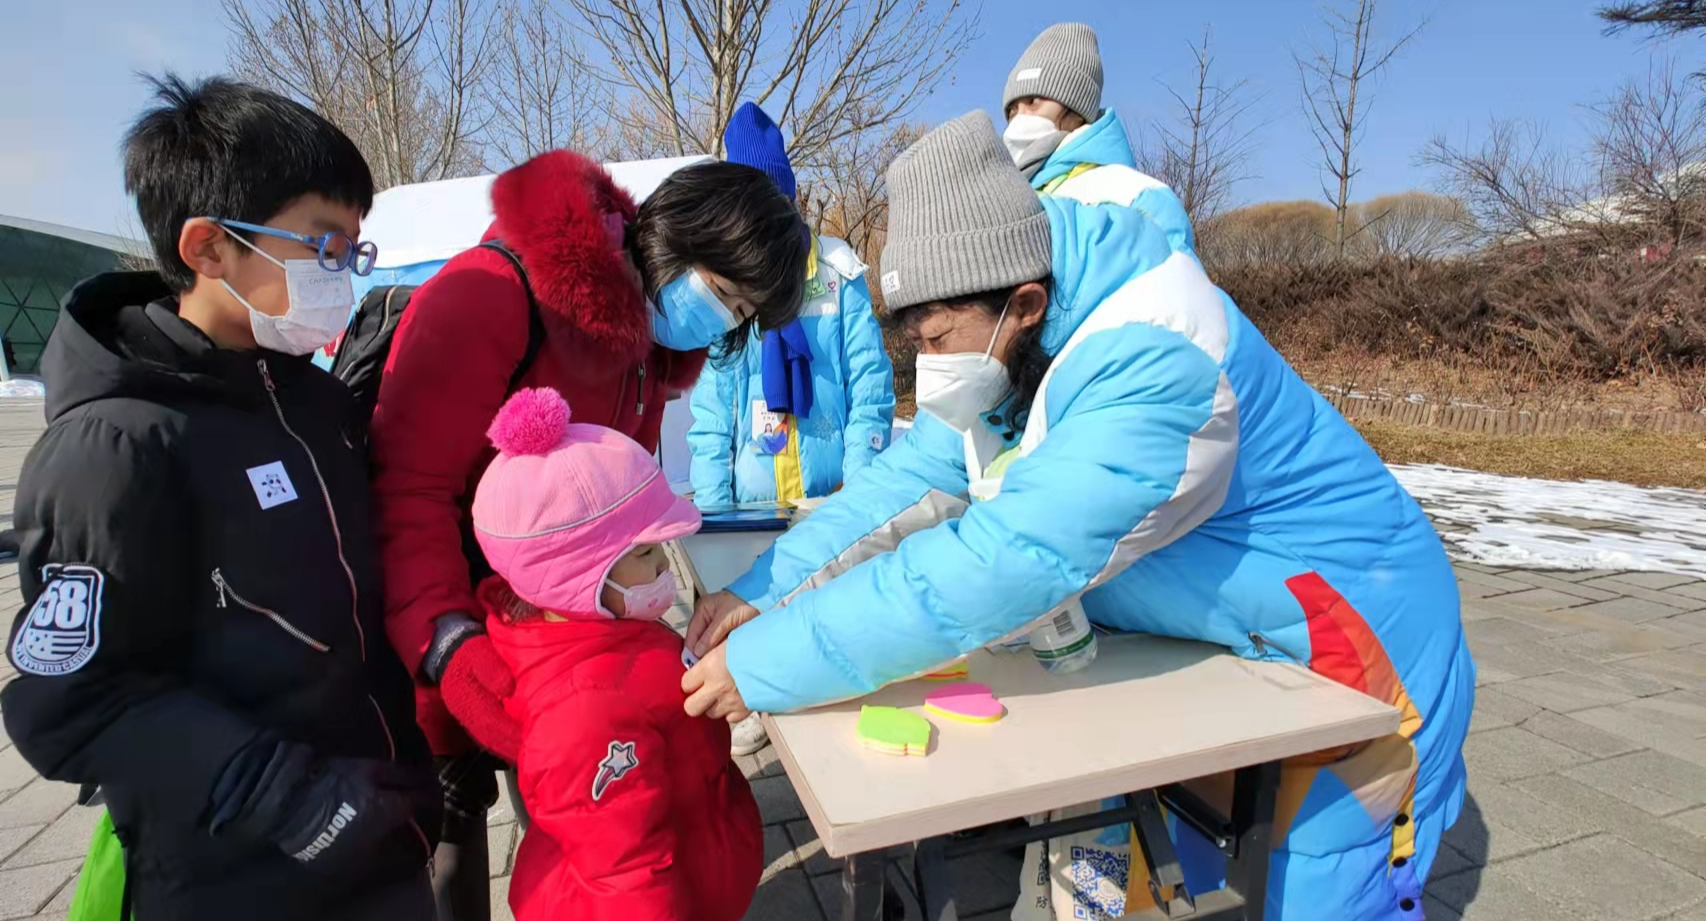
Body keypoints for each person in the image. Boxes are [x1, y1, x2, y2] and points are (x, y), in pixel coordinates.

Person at [682, 112, 1474, 921]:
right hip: (1222, 641)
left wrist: (767, 661)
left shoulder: (1158, 358)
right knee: (1186, 869)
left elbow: (1004, 559)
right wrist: (760, 592)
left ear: (1024, 304)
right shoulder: (1015, 332)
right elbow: (904, 481)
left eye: (940, 338)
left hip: (1351, 647)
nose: (932, 365)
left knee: (1313, 886)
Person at [0, 76, 439, 920]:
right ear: (208, 247)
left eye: (354, 249)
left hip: (380, 836)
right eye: (324, 244)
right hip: (242, 872)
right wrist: (286, 797)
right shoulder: (117, 442)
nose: (342, 273)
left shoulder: (314, 405)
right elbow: (70, 699)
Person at [369, 148, 807, 918]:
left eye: (741, 314)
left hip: (565, 650)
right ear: (676, 235)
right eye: (724, 293)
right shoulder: (494, 297)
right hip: (455, 622)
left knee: (580, 823)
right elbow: (406, 487)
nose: (722, 320)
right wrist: (447, 642)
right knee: (451, 828)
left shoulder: (649, 349)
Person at [469, 387, 762, 921]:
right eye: (647, 552)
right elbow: (626, 878)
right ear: (578, 576)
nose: (665, 567)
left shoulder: (606, 630)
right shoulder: (586, 714)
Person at [687, 102, 895, 756]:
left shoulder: (836, 272)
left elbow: (870, 390)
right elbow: (711, 409)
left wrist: (861, 490)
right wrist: (712, 512)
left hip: (826, 496)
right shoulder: (726, 281)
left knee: (822, 616)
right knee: (751, 612)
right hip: (752, 501)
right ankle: (753, 702)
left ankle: (821, 711)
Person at [1000, 23, 1193, 250]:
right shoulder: (1006, 195)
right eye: (1012, 110)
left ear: (1077, 110)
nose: (1020, 118)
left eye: (1033, 102)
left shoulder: (1138, 199)